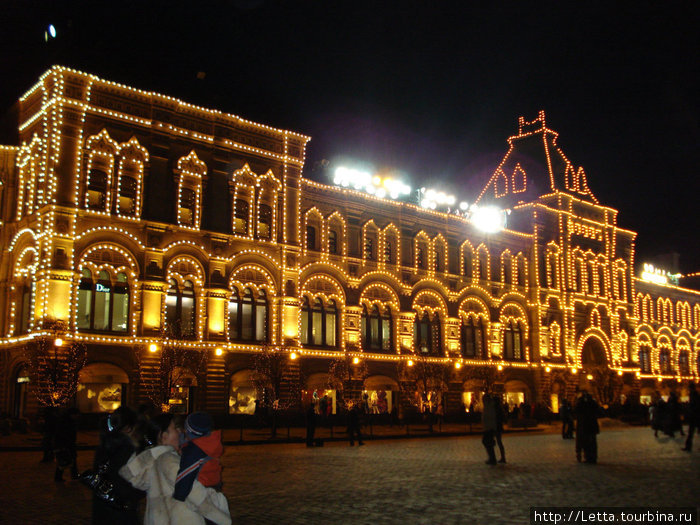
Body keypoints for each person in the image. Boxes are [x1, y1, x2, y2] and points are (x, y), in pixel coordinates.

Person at [120, 414, 231, 525]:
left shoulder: (154, 460)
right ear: (164, 436)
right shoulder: (169, 461)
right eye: (175, 429)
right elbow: (196, 495)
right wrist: (221, 511)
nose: (180, 432)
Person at [91, 407, 143, 525]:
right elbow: (125, 485)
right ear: (129, 428)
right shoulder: (125, 450)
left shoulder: (105, 445)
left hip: (103, 509)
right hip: (120, 511)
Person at [174, 412, 223, 500]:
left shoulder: (194, 451)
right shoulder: (209, 443)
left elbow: (186, 476)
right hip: (213, 487)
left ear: (187, 430)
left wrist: (178, 498)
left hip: (199, 491)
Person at [54, 407, 80, 482]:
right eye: (76, 415)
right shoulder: (66, 422)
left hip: (68, 443)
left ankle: (74, 474)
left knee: (71, 459)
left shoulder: (69, 421)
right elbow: (63, 434)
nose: (77, 416)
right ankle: (59, 476)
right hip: (65, 444)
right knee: (64, 460)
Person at [575, 391, 600, 464]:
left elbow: (576, 411)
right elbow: (597, 410)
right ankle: (593, 457)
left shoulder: (581, 403)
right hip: (591, 426)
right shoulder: (592, 403)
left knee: (586, 442)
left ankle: (588, 457)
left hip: (584, 426)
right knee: (592, 443)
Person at [682, 381, 699, 452]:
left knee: (690, 432)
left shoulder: (694, 395)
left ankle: (688, 446)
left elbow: (694, 405)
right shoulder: (695, 394)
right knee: (690, 432)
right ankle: (688, 446)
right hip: (695, 415)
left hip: (695, 416)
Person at [493, 394, 506, 463]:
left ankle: (500, 457)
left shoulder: (496, 409)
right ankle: (502, 457)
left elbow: (497, 418)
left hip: (496, 427)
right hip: (498, 426)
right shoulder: (500, 408)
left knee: (497, 442)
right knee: (498, 442)